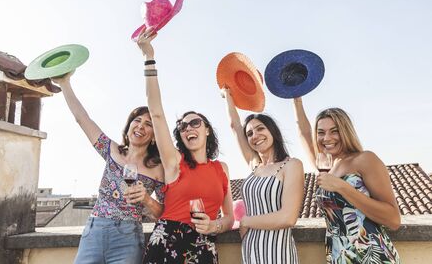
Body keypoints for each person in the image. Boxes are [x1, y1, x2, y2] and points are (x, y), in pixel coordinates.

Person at [136, 28, 234, 264]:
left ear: (207, 129)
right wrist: (149, 57)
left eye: (195, 123)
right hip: (167, 243)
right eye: (183, 126)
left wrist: (214, 225)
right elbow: (156, 113)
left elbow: (230, 217)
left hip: (203, 246)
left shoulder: (222, 168)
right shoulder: (174, 161)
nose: (188, 128)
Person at [52, 73, 165, 264]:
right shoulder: (111, 150)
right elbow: (82, 118)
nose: (140, 126)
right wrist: (65, 84)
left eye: (148, 124)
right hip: (95, 231)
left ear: (154, 135)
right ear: (129, 126)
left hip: (128, 238)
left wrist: (146, 199)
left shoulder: (158, 169)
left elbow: (163, 213)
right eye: (136, 120)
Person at [293, 97, 401, 263]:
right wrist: (296, 98)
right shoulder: (326, 165)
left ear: (345, 131)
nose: (326, 138)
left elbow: (393, 220)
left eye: (334, 131)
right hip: (340, 256)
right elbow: (304, 132)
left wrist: (343, 187)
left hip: (372, 255)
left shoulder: (365, 159)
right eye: (321, 132)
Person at [222, 88, 304, 264]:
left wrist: (245, 221)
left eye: (260, 129)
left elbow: (287, 218)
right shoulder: (254, 164)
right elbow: (235, 127)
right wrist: (228, 97)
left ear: (273, 131)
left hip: (279, 254)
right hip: (251, 251)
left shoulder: (291, 165)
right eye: (250, 133)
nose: (255, 136)